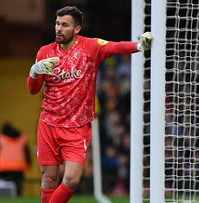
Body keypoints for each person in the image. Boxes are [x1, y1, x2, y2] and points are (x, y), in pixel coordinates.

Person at [26, 6, 152, 203]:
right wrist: (34, 72)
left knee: (72, 179)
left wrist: (139, 46)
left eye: (65, 25)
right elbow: (33, 90)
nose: (59, 28)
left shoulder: (90, 47)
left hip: (77, 127)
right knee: (49, 179)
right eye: (57, 24)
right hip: (48, 124)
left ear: (77, 29)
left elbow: (115, 46)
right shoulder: (45, 52)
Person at [0, 123, 31, 196]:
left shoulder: (0, 138)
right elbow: (26, 152)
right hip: (19, 167)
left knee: (5, 189)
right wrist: (29, 163)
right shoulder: (22, 138)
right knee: (18, 187)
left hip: (4, 167)